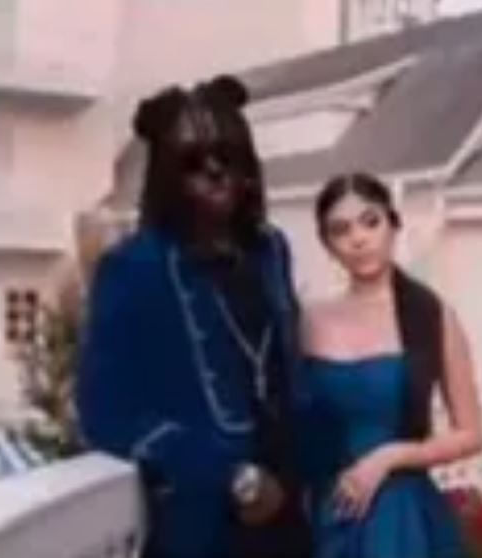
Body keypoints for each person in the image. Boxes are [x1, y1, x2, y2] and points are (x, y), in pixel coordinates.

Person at [75, 76, 311, 558]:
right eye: (193, 162)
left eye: (228, 157)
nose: (215, 172)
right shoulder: (133, 266)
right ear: (166, 176)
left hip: (291, 514)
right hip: (200, 524)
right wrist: (231, 476)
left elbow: (289, 373)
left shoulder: (270, 251)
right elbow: (105, 411)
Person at [301, 172, 482, 557]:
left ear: (393, 225)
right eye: (341, 230)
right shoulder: (308, 321)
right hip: (329, 512)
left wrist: (389, 458)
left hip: (401, 518)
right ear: (328, 245)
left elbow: (471, 434)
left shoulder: (429, 315)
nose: (358, 239)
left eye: (370, 222)